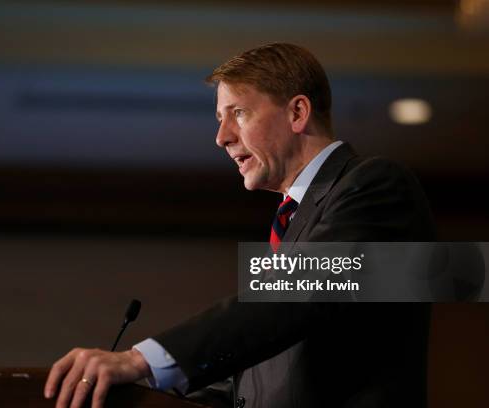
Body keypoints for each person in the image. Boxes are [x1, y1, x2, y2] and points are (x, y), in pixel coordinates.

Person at [44, 43, 435, 408]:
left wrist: (140, 360)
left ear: (297, 113)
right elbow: (255, 384)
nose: (221, 137)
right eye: (220, 118)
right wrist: (137, 393)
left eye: (239, 113)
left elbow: (296, 297)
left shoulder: (376, 186)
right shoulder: (292, 221)